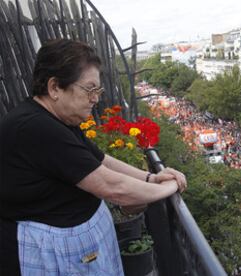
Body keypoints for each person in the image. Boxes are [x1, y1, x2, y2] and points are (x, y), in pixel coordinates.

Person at [0, 39, 187, 275]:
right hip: (49, 254)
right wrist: (169, 187)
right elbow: (112, 186)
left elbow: (100, 160)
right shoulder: (34, 127)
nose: (96, 99)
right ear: (55, 87)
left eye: (97, 91)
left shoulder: (56, 119)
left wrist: (151, 178)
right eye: (90, 89)